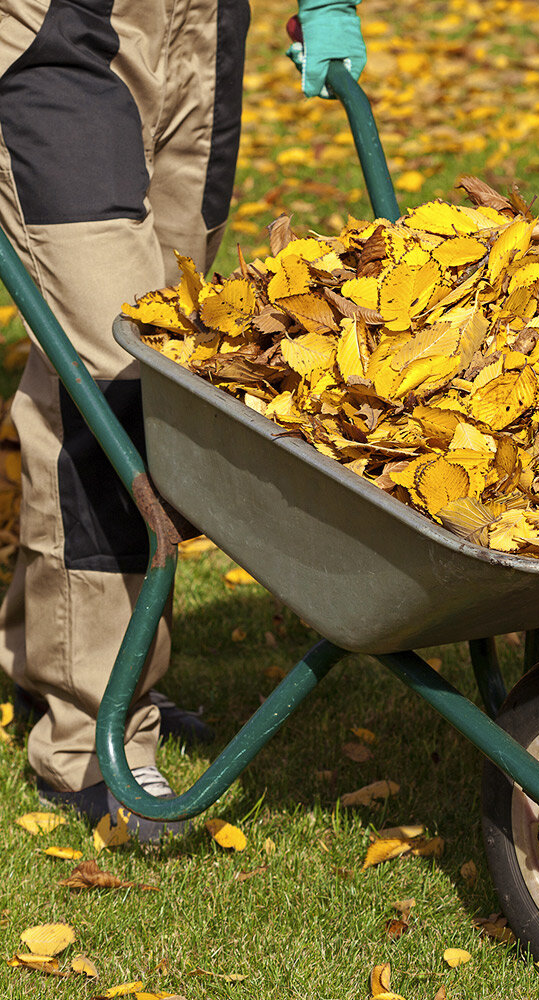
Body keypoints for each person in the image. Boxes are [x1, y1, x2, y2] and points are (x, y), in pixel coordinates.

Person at [0, 0, 366, 841]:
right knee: (113, 369)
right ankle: (92, 735)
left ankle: (55, 652)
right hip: (55, 27)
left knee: (171, 349)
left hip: (200, 27)